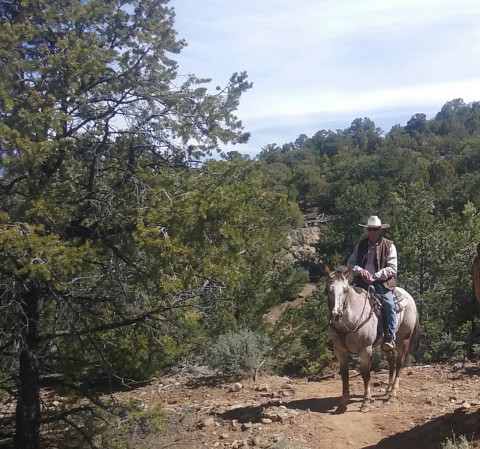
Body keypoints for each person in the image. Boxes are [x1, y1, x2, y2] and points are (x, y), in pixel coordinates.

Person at [346, 215, 398, 351]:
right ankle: (339, 337)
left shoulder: (389, 245)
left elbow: (392, 268)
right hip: (361, 281)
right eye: (370, 229)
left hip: (382, 283)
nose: (372, 232)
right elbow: (350, 264)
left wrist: (375, 276)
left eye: (375, 229)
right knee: (342, 299)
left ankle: (389, 336)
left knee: (388, 304)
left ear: (380, 230)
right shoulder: (361, 245)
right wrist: (360, 271)